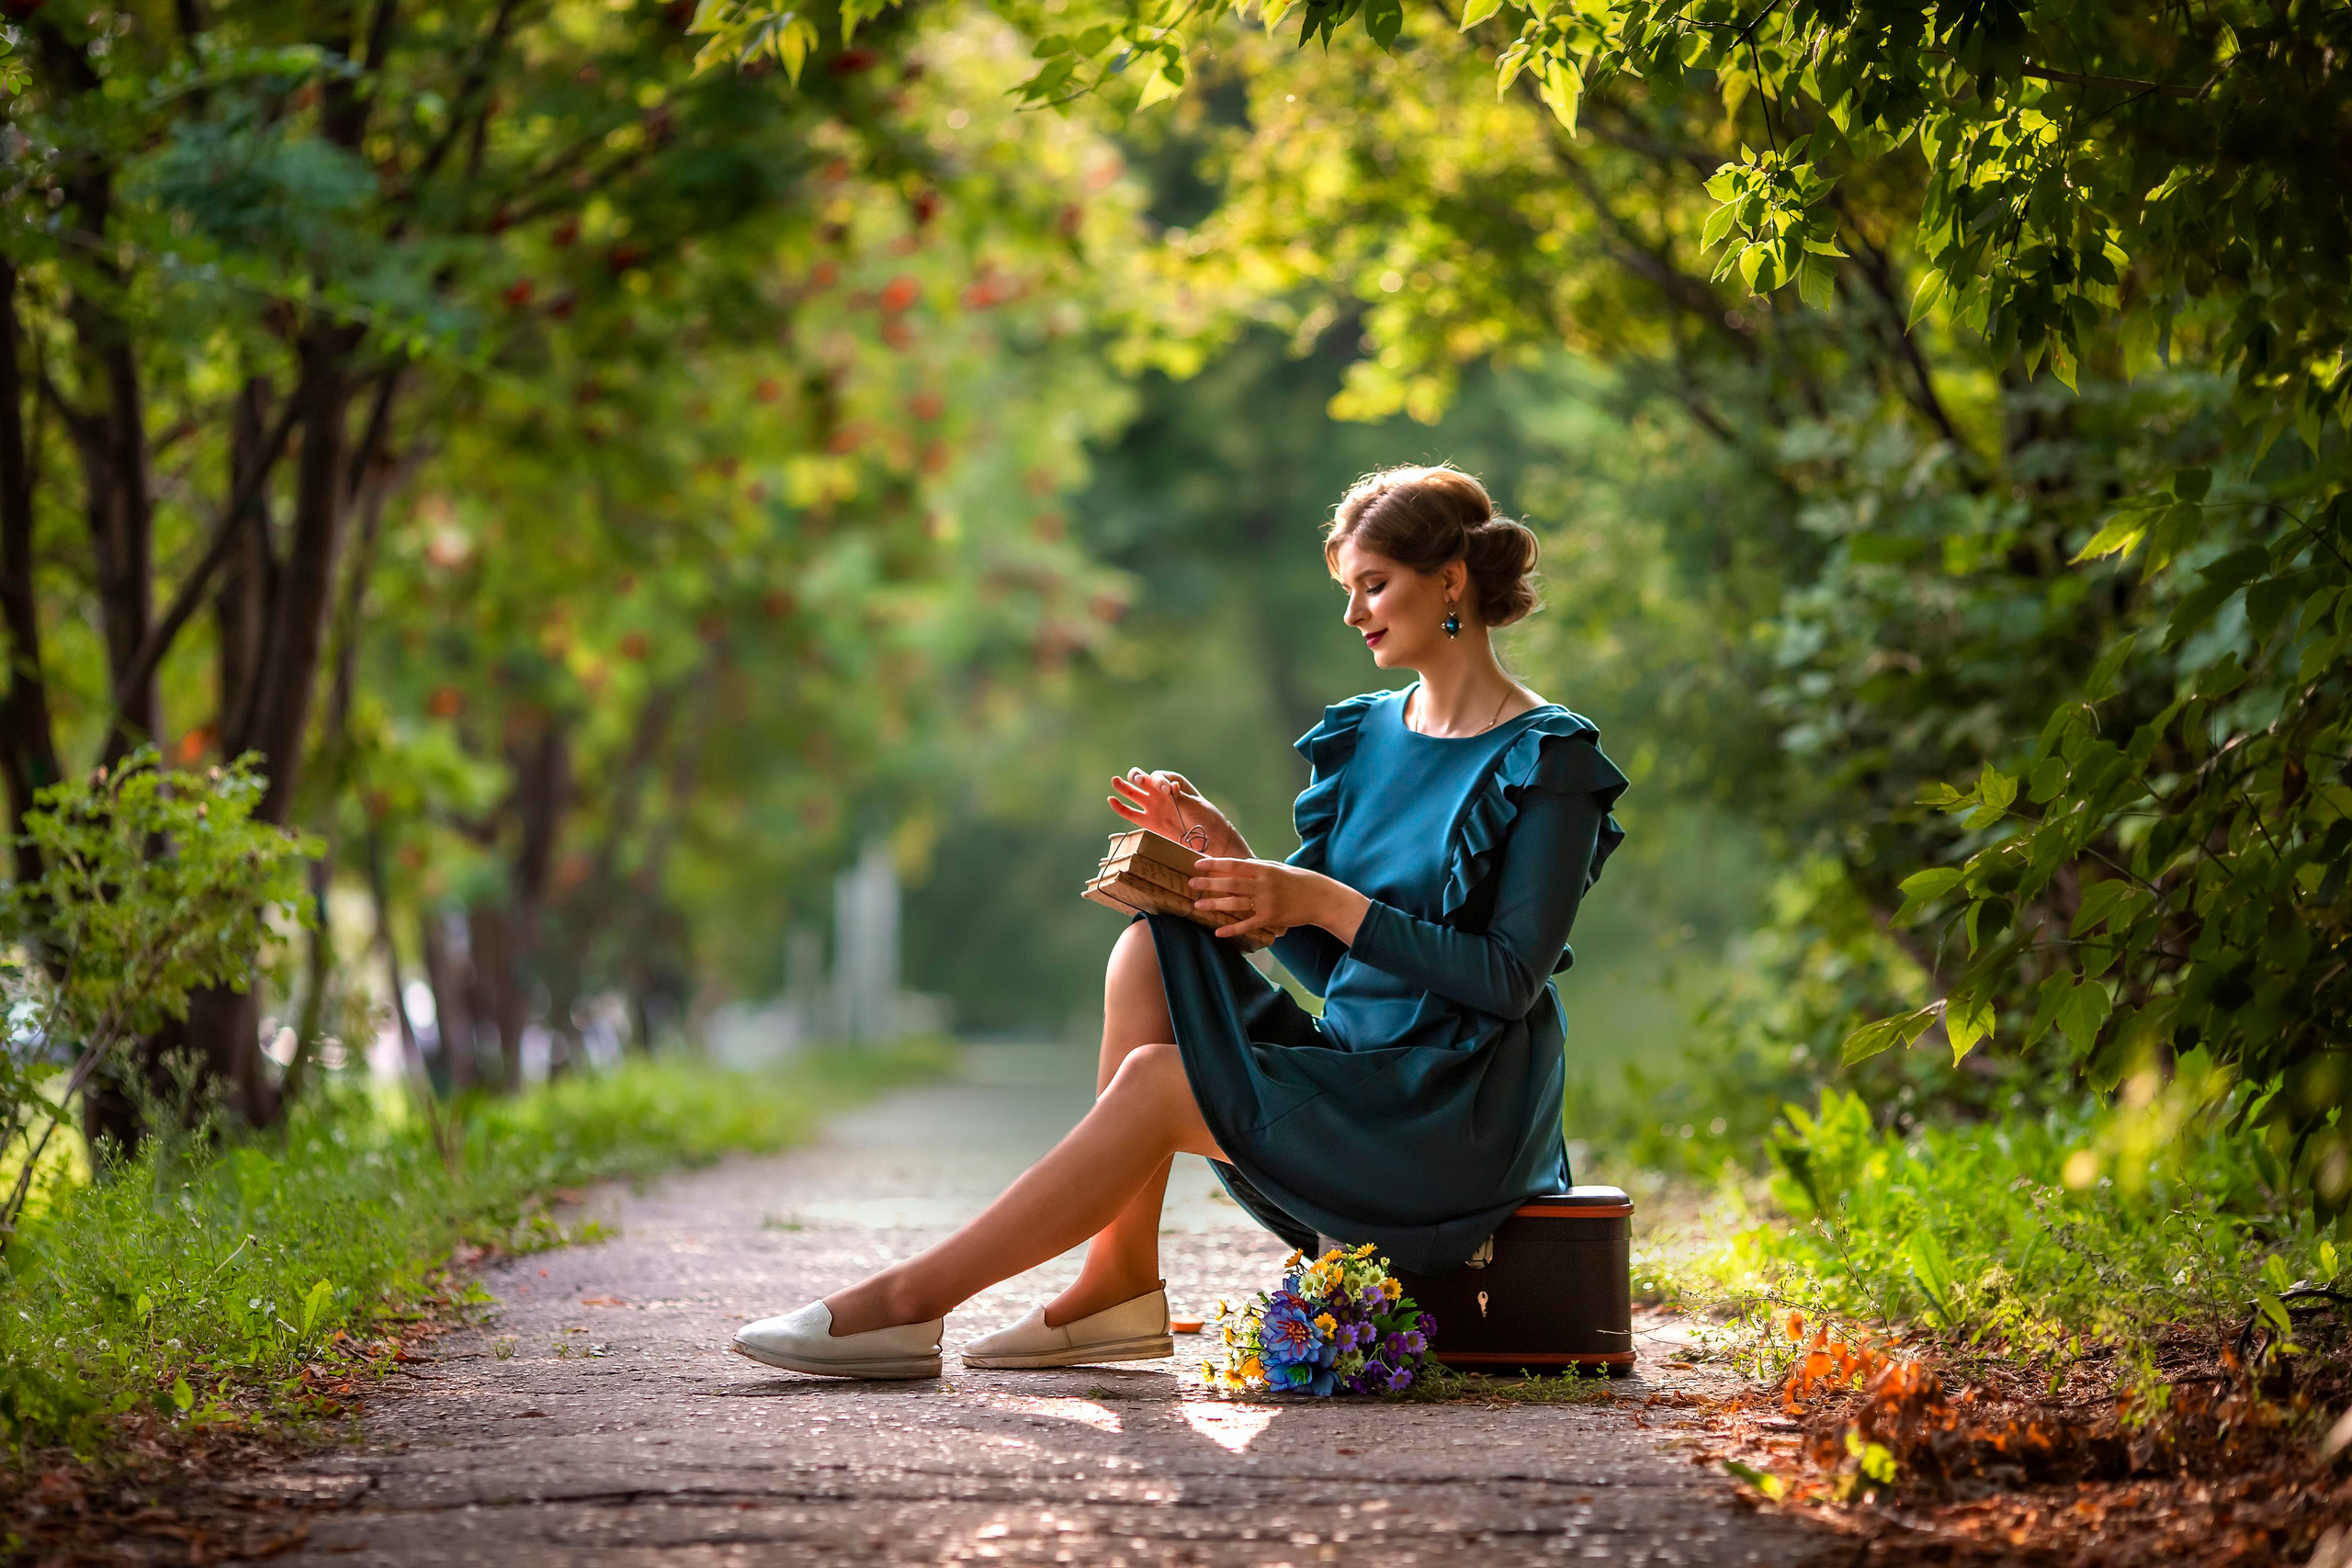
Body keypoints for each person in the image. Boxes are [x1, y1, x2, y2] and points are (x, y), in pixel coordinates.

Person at [732, 462, 1629, 1379]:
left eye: (1373, 586)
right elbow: (1337, 975)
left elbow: (1508, 980)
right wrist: (1239, 867)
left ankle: (904, 1305)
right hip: (1361, 1068)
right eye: (1348, 590)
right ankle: (1115, 1286)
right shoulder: (1364, 735)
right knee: (1152, 947)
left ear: (1449, 582)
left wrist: (1317, 896)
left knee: (1161, 1084)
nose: (1354, 614)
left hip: (1454, 1114)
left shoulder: (1548, 757)